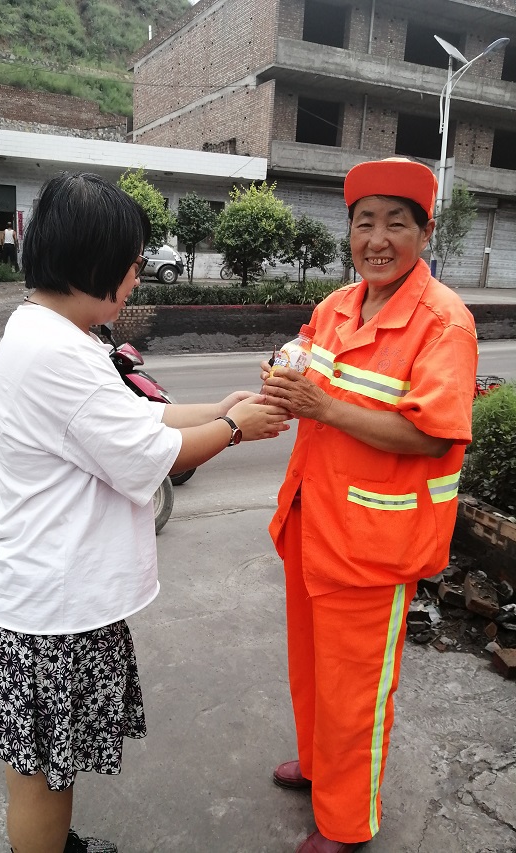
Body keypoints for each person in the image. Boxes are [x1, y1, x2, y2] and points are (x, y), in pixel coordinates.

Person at [0, 172, 289, 853]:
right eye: (132, 265)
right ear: (96, 261)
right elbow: (149, 455)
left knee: (43, 764)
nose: (136, 280)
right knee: (42, 774)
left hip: (38, 595)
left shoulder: (46, 326)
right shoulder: (58, 350)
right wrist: (239, 428)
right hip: (49, 609)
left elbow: (134, 415)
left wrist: (220, 408)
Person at [261, 158, 478, 853]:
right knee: (313, 669)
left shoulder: (445, 323)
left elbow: (430, 432)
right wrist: (286, 365)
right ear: (348, 232)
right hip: (311, 519)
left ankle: (348, 823)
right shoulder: (339, 306)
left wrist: (324, 404)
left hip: (374, 542)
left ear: (425, 230)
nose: (376, 239)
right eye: (364, 223)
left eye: (396, 223)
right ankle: (323, 768)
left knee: (358, 690)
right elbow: (310, 356)